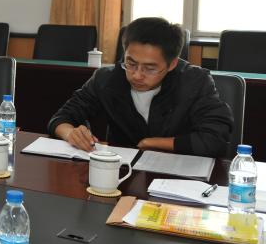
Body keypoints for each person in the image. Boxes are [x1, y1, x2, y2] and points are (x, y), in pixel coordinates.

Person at [49, 17, 233, 157]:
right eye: (131, 63)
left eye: (150, 68)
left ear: (172, 64)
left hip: (179, 176)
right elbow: (61, 118)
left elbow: (215, 139)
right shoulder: (107, 79)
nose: (137, 75)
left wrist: (152, 143)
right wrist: (71, 133)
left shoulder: (195, 82)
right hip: (123, 172)